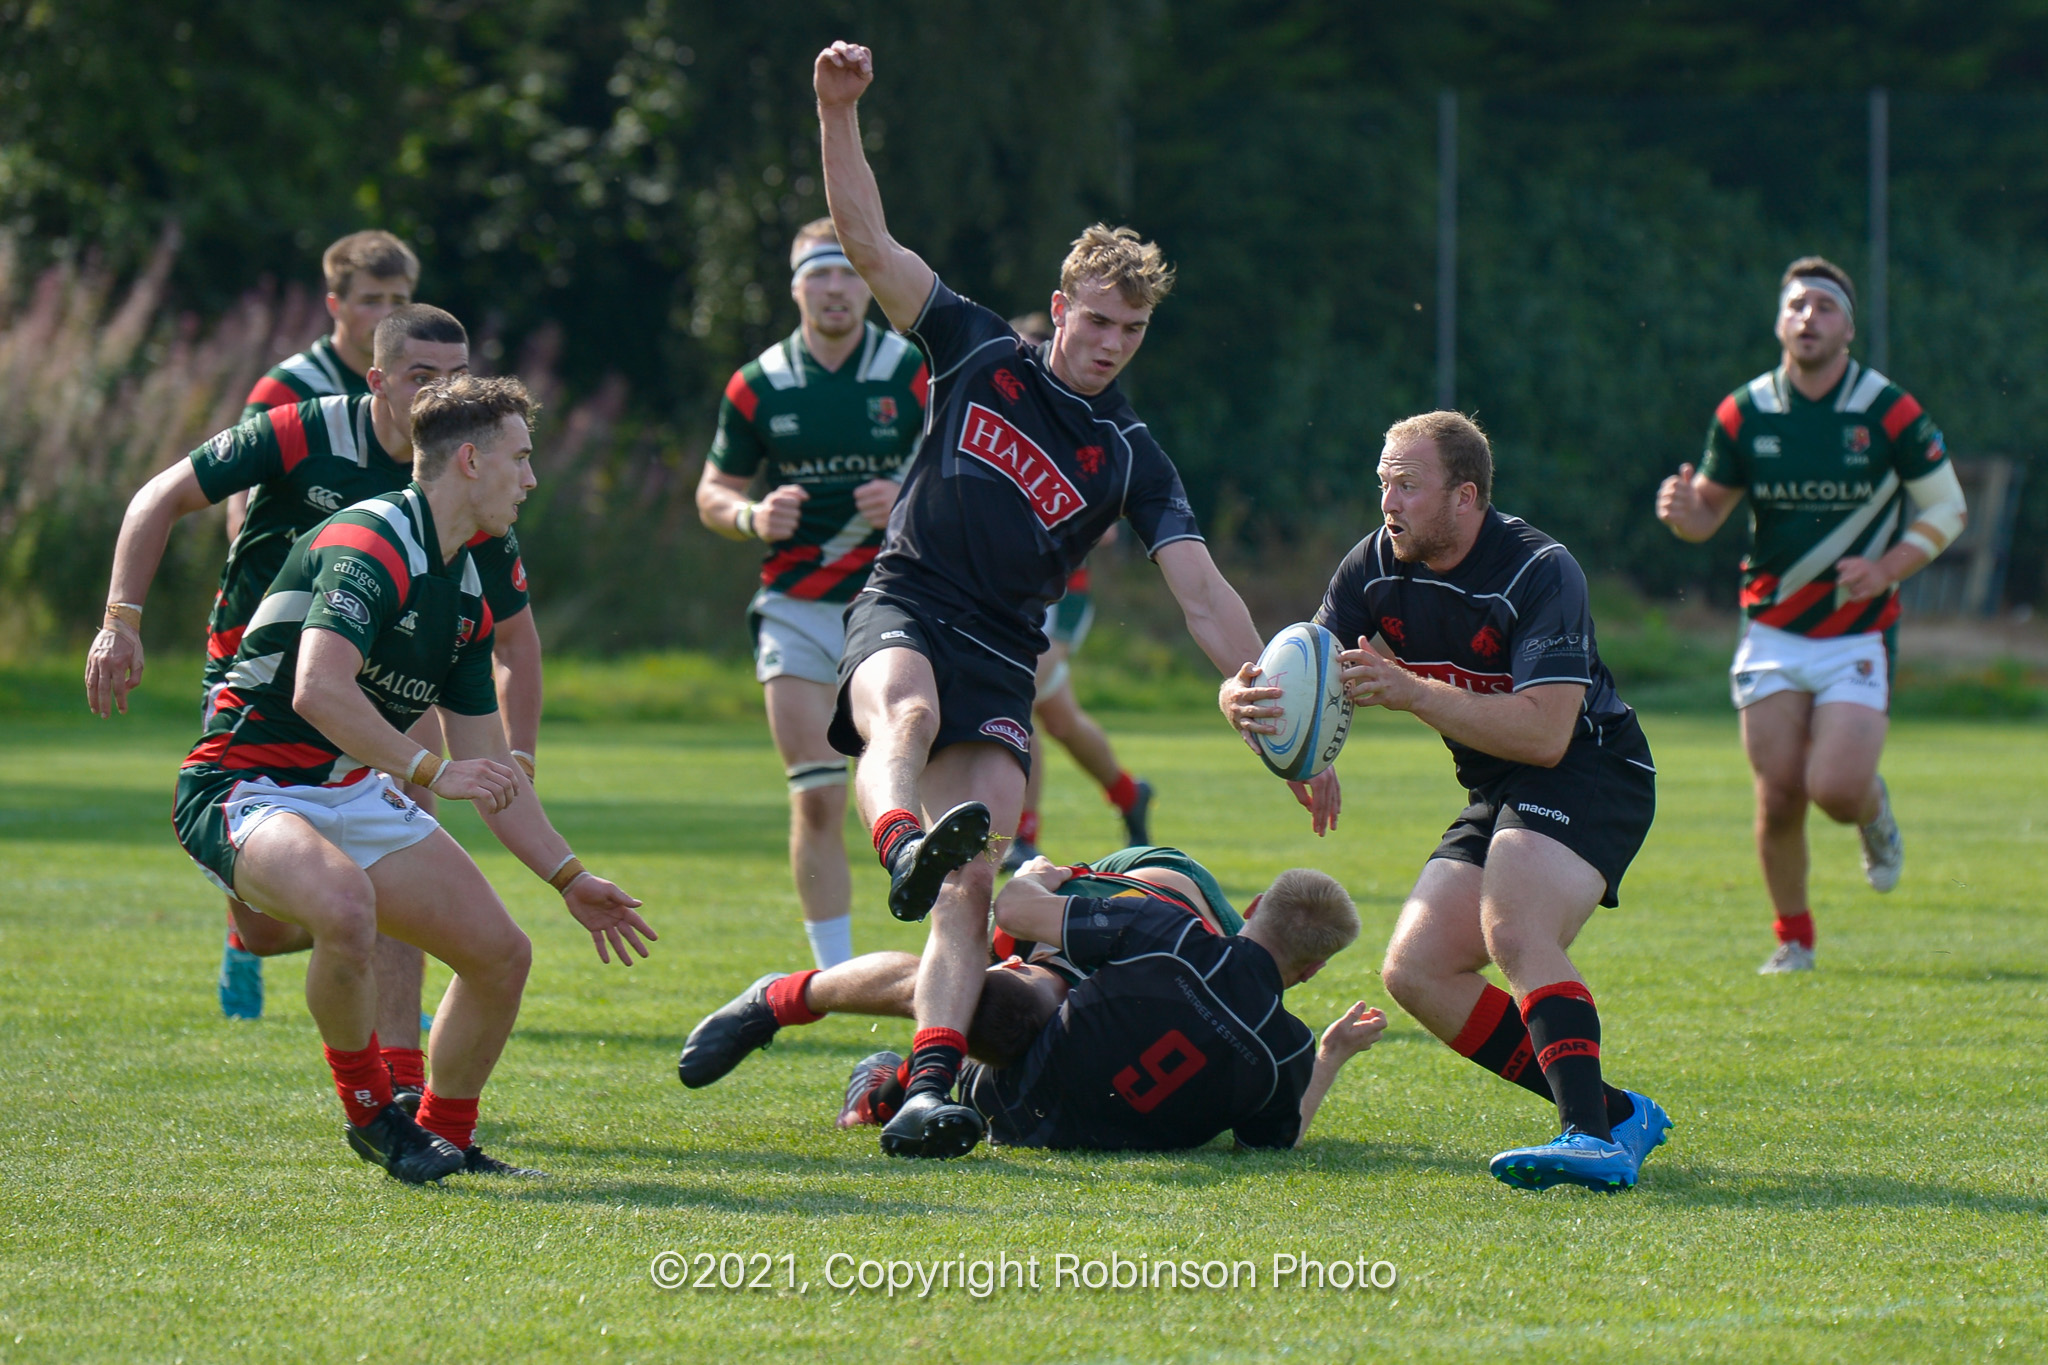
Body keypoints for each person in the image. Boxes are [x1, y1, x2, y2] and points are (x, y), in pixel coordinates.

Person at [811, 40, 1326, 1159]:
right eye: (1094, 322)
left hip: (1001, 653)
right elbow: (865, 242)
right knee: (897, 718)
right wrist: (835, 109)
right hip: (908, 597)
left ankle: (926, 1090)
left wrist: (1273, 719)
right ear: (1059, 308)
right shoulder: (976, 348)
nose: (1107, 346)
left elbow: (1200, 591)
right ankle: (899, 840)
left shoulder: (1128, 451)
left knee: (976, 882)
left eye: (1130, 332)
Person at [169, 375, 654, 1182]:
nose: (532, 479)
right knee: (345, 905)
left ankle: (447, 1136)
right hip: (242, 784)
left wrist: (569, 877)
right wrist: (432, 770)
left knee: (502, 956)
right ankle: (373, 1115)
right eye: (521, 458)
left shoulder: (465, 581)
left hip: (349, 790)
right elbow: (317, 688)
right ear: (470, 459)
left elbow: (491, 769)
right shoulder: (374, 539)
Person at [87, 304, 544, 1105]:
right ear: (377, 381)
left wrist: (517, 776)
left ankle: (403, 1086)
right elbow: (157, 497)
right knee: (285, 924)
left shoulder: (473, 501)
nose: (442, 390)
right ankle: (278, 921)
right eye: (420, 377)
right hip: (260, 687)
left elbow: (513, 643)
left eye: (456, 376)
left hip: (383, 682)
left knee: (408, 809)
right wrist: (120, 622)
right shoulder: (302, 430)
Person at [1227, 410, 1671, 1191]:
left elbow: (1545, 735)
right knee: (1417, 969)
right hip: (1500, 784)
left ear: (1465, 496)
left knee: (1516, 924)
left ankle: (1588, 1138)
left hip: (1591, 769)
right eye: (1382, 485)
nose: (1388, 503)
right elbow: (1307, 675)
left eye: (1406, 485)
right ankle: (1613, 1113)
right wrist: (1258, 713)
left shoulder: (1539, 569)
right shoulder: (1371, 567)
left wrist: (1412, 692)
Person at [1656, 257, 1966, 975]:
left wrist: (1886, 569)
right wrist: (1681, 514)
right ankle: (1795, 938)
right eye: (1797, 305)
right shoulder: (1745, 410)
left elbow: (1948, 507)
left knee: (1833, 787)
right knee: (1780, 794)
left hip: (1857, 630)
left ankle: (1872, 809)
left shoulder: (1888, 410)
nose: (1809, 317)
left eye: (1825, 306)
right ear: (1778, 323)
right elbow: (1707, 513)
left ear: (1848, 328)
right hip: (1769, 629)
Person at [679, 849, 1383, 1150]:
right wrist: (1330, 1053)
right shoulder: (1285, 1046)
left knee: (1000, 1008)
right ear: (1315, 968)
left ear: (1254, 905)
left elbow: (1014, 906)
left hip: (1009, 1094)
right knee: (1011, 1001)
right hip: (1033, 1108)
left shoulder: (1171, 930)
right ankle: (792, 1006)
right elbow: (1278, 1139)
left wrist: (1037, 872)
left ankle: (889, 1076)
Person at [695, 219, 927, 972]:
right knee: (818, 795)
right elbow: (714, 490)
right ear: (795, 287)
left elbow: (963, 475)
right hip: (794, 604)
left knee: (924, 788)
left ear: (868, 281)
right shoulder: (758, 383)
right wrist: (751, 516)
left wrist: (906, 498)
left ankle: (948, 954)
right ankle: (833, 974)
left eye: (848, 274)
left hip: (895, 605)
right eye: (819, 275)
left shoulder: (913, 370)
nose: (835, 289)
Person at [998, 307, 1155, 868]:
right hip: (1009, 597)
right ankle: (1128, 793)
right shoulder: (992, 413)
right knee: (1059, 720)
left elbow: (1107, 520)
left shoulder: (1086, 421)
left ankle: (1024, 836)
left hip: (1064, 597)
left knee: (1019, 696)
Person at [225, 231, 420, 542]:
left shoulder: (416, 393)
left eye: (398, 301)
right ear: (335, 305)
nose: (386, 315)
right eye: (370, 301)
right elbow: (239, 509)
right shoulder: (288, 388)